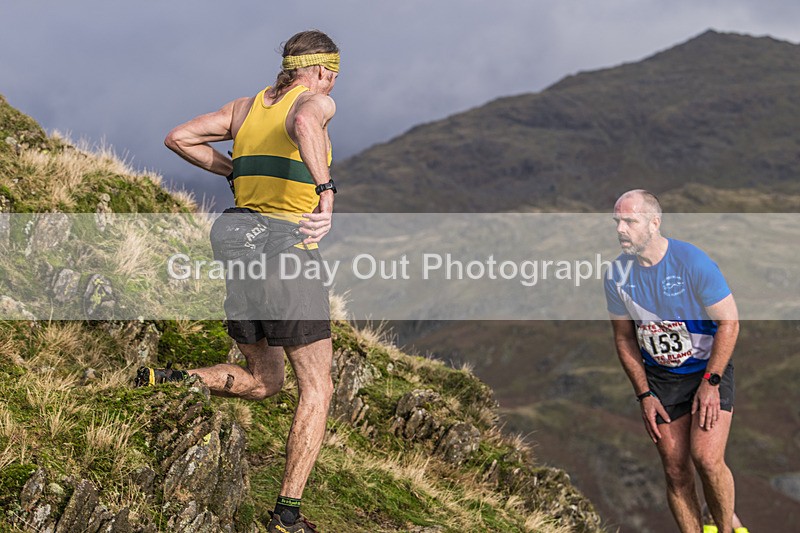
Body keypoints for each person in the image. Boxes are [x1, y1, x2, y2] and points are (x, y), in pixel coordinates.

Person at [149, 30, 340, 532]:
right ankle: (287, 516)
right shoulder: (316, 101)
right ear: (322, 70)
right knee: (317, 386)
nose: (333, 83)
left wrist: (235, 171)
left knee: (265, 381)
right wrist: (325, 190)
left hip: (236, 237)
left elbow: (179, 137)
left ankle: (166, 383)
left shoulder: (245, 108)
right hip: (285, 246)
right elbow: (303, 121)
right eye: (333, 75)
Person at [604, 190, 740, 533]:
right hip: (662, 380)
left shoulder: (692, 262)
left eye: (629, 221)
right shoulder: (616, 275)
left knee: (707, 459)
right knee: (676, 470)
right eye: (617, 221)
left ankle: (726, 529)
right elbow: (623, 338)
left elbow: (730, 323)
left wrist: (711, 383)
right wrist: (644, 395)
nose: (621, 229)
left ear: (654, 222)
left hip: (707, 371)